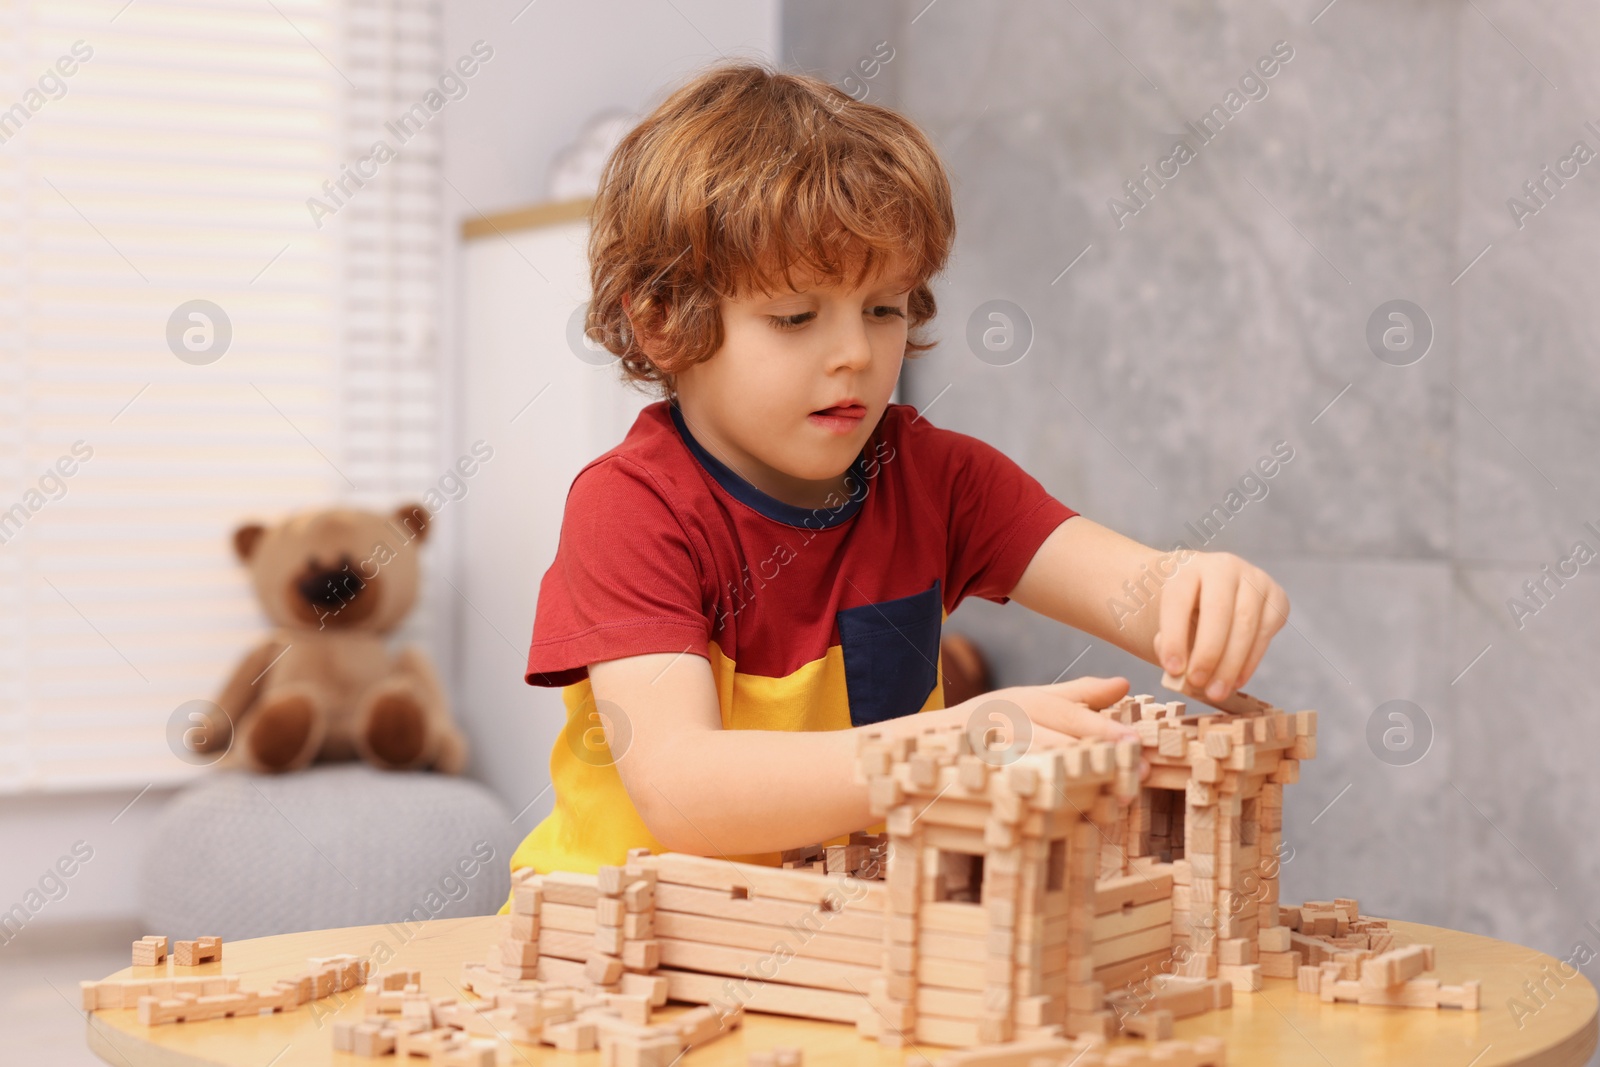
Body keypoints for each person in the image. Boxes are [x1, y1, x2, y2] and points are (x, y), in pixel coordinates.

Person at [505, 61, 1289, 887]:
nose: (855, 354)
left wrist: (1208, 594)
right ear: (662, 321)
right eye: (796, 316)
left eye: (884, 307)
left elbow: (1149, 594)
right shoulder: (630, 508)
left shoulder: (937, 478)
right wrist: (952, 743)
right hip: (613, 956)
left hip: (836, 953)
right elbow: (683, 792)